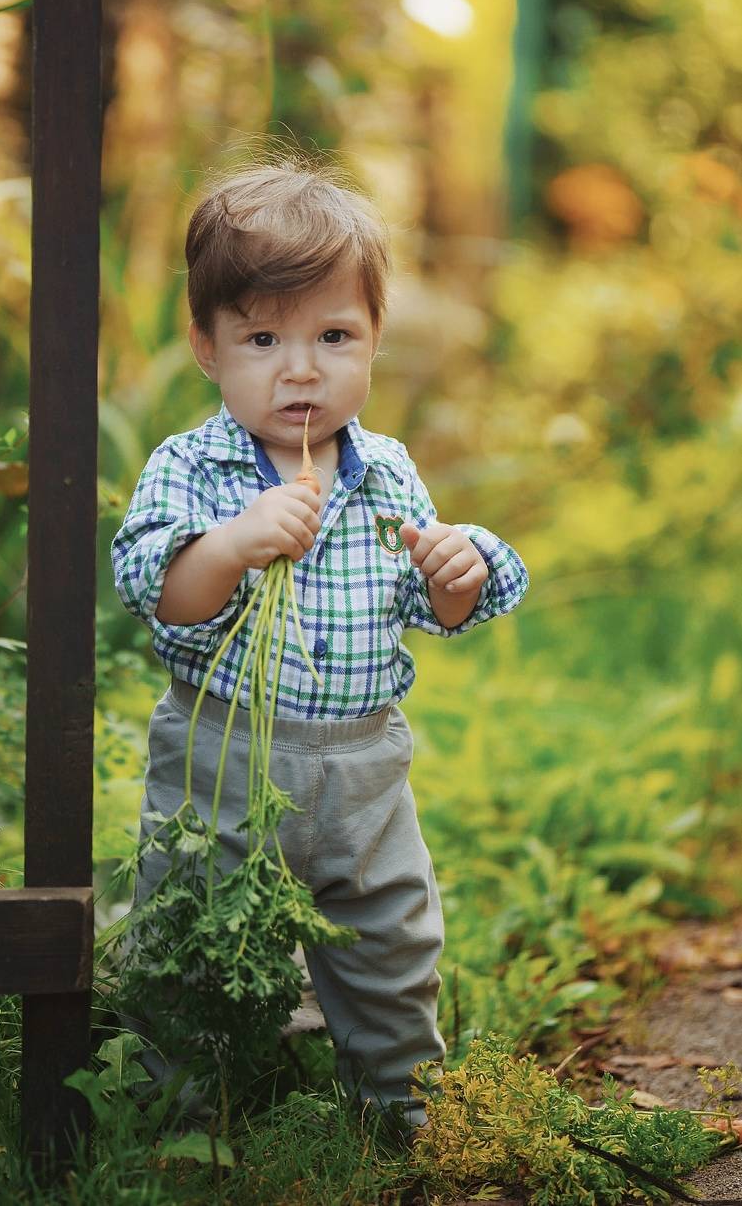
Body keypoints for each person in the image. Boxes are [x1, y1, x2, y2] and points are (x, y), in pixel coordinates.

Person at [110, 160, 529, 1139]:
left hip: (363, 765)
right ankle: (181, 1110)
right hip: (223, 755)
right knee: (191, 929)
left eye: (333, 337)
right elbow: (154, 589)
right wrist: (231, 543)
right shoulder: (191, 465)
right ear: (207, 346)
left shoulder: (384, 470)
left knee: (389, 933)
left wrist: (454, 571)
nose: (300, 369)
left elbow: (433, 604)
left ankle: (396, 1099)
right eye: (262, 338)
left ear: (373, 338)